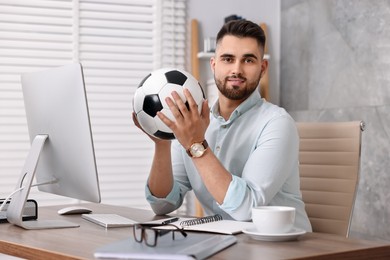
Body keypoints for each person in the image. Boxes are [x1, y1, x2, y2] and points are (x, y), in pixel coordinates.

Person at [133, 19, 312, 232]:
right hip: (227, 244)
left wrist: (196, 144)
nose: (236, 70)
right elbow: (163, 204)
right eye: (228, 59)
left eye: (248, 60)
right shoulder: (193, 123)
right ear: (214, 64)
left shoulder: (278, 124)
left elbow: (247, 208)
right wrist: (162, 143)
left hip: (286, 248)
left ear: (262, 68)